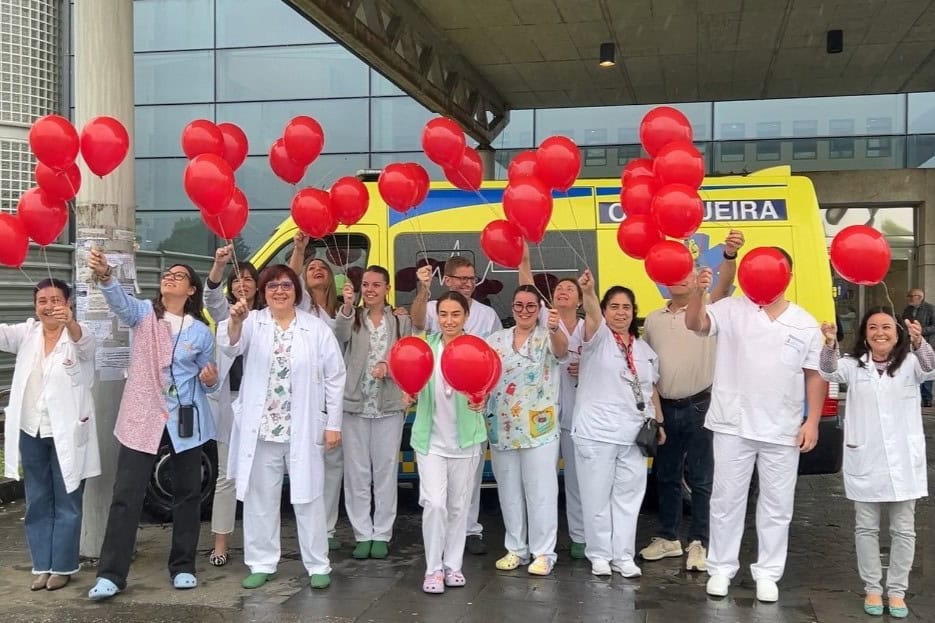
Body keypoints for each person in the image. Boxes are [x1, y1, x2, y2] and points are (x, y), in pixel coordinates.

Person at [685, 249, 825, 603]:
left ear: (787, 277)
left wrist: (812, 421)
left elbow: (816, 375)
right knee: (726, 499)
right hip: (733, 422)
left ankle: (768, 572)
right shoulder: (732, 309)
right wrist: (699, 292)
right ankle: (721, 568)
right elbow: (696, 325)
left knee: (777, 504)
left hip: (782, 427)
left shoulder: (805, 322)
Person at [87, 251, 219, 600]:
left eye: (179, 275)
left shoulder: (201, 333)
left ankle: (183, 567)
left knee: (188, 495)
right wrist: (106, 276)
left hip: (187, 421)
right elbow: (120, 303)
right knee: (126, 495)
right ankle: (112, 575)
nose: (170, 278)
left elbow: (212, 382)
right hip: (141, 416)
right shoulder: (145, 314)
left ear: (192, 290)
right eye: (167, 274)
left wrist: (210, 378)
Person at [217, 264, 346, 590]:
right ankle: (262, 562)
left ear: (296, 291)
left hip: (302, 428)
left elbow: (335, 376)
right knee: (260, 499)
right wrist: (235, 320)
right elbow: (230, 346)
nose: (279, 291)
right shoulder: (252, 321)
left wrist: (333, 424)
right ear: (263, 291)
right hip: (261, 430)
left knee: (308, 497)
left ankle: (317, 564)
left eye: (286, 285)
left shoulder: (315, 328)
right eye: (272, 285)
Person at [638, 230, 744, 572]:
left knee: (701, 479)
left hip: (701, 406)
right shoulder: (653, 320)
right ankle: (668, 538)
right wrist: (656, 414)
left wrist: (728, 257)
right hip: (665, 409)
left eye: (685, 273)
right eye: (672, 275)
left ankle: (700, 542)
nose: (678, 280)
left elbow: (725, 284)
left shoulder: (709, 309)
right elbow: (646, 367)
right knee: (665, 477)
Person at [819, 309, 932, 619]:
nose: (879, 332)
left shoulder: (910, 364)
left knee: (904, 531)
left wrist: (920, 341)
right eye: (872, 327)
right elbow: (828, 372)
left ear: (897, 333)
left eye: (886, 327)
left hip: (902, 462)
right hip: (866, 458)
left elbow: (931, 367)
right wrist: (829, 343)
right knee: (866, 528)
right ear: (864, 333)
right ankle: (872, 587)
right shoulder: (854, 366)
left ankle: (896, 591)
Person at [2, 278, 101, 591]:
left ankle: (63, 566)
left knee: (68, 499)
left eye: (56, 300)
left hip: (67, 432)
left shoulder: (78, 335)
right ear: (35, 306)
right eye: (42, 300)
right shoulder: (27, 333)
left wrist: (71, 323)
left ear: (68, 304)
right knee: (38, 499)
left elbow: (86, 346)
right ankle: (41, 565)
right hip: (32, 428)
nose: (49, 306)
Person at [572, 270, 664, 578]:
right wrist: (589, 292)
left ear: (634, 312)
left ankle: (623, 555)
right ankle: (599, 554)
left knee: (628, 498)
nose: (620, 312)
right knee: (596, 496)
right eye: (614, 306)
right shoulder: (596, 338)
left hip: (633, 435)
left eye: (626, 307)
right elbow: (593, 316)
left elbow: (652, 392)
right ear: (604, 310)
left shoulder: (645, 350)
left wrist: (658, 424)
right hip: (596, 433)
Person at [411, 257, 502, 555]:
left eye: (471, 278)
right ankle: (434, 562)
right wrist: (422, 289)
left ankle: (466, 536)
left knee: (464, 495)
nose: (466, 283)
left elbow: (494, 361)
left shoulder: (486, 316)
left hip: (468, 422)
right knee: (436, 501)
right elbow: (416, 323)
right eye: (460, 278)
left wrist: (484, 393)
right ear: (446, 279)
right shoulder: (429, 329)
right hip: (433, 433)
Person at [403, 290, 487, 593]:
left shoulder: (477, 349)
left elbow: (488, 381)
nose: (448, 320)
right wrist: (408, 393)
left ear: (466, 316)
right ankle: (433, 569)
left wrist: (482, 399)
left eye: (455, 314)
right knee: (435, 504)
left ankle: (453, 565)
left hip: (466, 441)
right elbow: (410, 379)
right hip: (430, 441)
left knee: (458, 506)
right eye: (443, 314)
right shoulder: (426, 348)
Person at [485, 285, 567, 575]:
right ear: (512, 307)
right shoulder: (495, 340)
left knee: (541, 491)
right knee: (509, 491)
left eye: (531, 306)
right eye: (519, 305)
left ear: (539, 309)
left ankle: (544, 552)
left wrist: (556, 328)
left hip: (539, 428)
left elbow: (561, 352)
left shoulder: (548, 336)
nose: (524, 311)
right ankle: (515, 549)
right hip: (502, 426)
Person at [335, 265, 412, 560]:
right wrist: (346, 306)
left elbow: (407, 356)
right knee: (356, 473)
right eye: (365, 285)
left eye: (376, 285)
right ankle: (361, 533)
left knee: (384, 471)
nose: (369, 290)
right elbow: (338, 336)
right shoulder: (353, 317)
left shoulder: (398, 321)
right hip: (354, 404)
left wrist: (389, 368)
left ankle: (382, 533)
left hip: (388, 405)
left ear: (387, 289)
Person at [518, 247, 587, 559]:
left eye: (570, 289)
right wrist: (525, 257)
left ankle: (580, 536)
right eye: (559, 288)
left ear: (580, 299)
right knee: (542, 481)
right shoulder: (546, 318)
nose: (563, 292)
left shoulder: (589, 327)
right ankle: (540, 541)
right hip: (543, 410)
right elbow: (527, 285)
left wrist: (584, 366)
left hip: (579, 410)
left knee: (576, 478)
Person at [203, 244, 263, 567]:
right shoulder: (225, 313)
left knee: (259, 476)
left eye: (249, 279)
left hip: (262, 404)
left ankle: (259, 546)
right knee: (226, 476)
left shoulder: (269, 317)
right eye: (237, 279)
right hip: (231, 400)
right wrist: (218, 264)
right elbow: (209, 296)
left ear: (257, 285)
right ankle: (220, 543)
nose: (243, 284)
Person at [289, 233, 344, 550]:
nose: (317, 269)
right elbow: (291, 274)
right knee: (305, 463)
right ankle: (307, 531)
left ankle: (328, 529)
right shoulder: (300, 306)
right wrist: (299, 249)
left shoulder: (342, 309)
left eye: (323, 267)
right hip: (302, 396)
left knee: (332, 465)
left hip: (333, 395)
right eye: (312, 267)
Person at [900, 288, 935, 407]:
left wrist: (920, 332)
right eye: (908, 296)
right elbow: (903, 324)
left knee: (926, 368)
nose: (909, 298)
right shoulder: (907, 309)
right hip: (910, 344)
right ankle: (917, 395)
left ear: (920, 297)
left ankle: (927, 397)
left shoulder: (930, 309)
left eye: (911, 296)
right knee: (915, 368)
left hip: (927, 343)